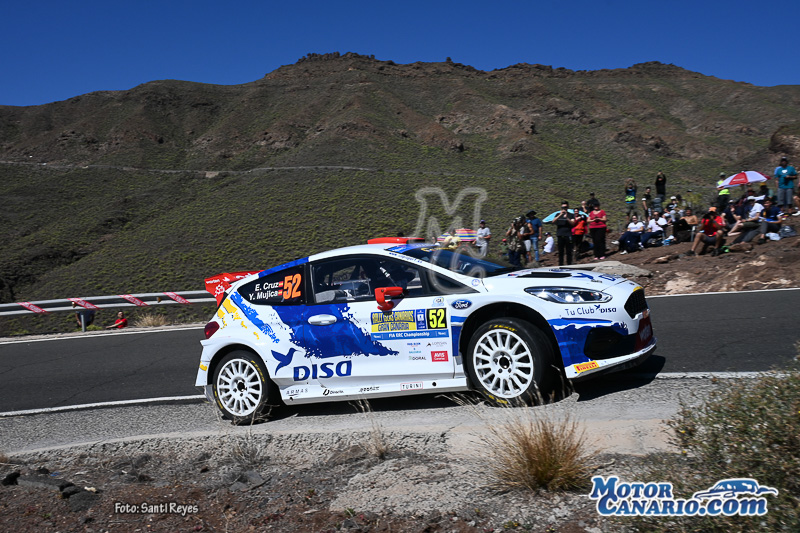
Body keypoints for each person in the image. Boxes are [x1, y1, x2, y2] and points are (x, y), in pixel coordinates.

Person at [554, 201, 576, 265]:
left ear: (567, 207)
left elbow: (573, 223)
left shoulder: (571, 215)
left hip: (568, 234)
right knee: (561, 251)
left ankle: (569, 264)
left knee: (569, 251)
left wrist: (567, 218)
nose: (564, 209)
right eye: (563, 207)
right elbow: (553, 221)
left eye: (565, 207)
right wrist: (560, 215)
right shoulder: (557, 214)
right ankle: (561, 264)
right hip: (560, 234)